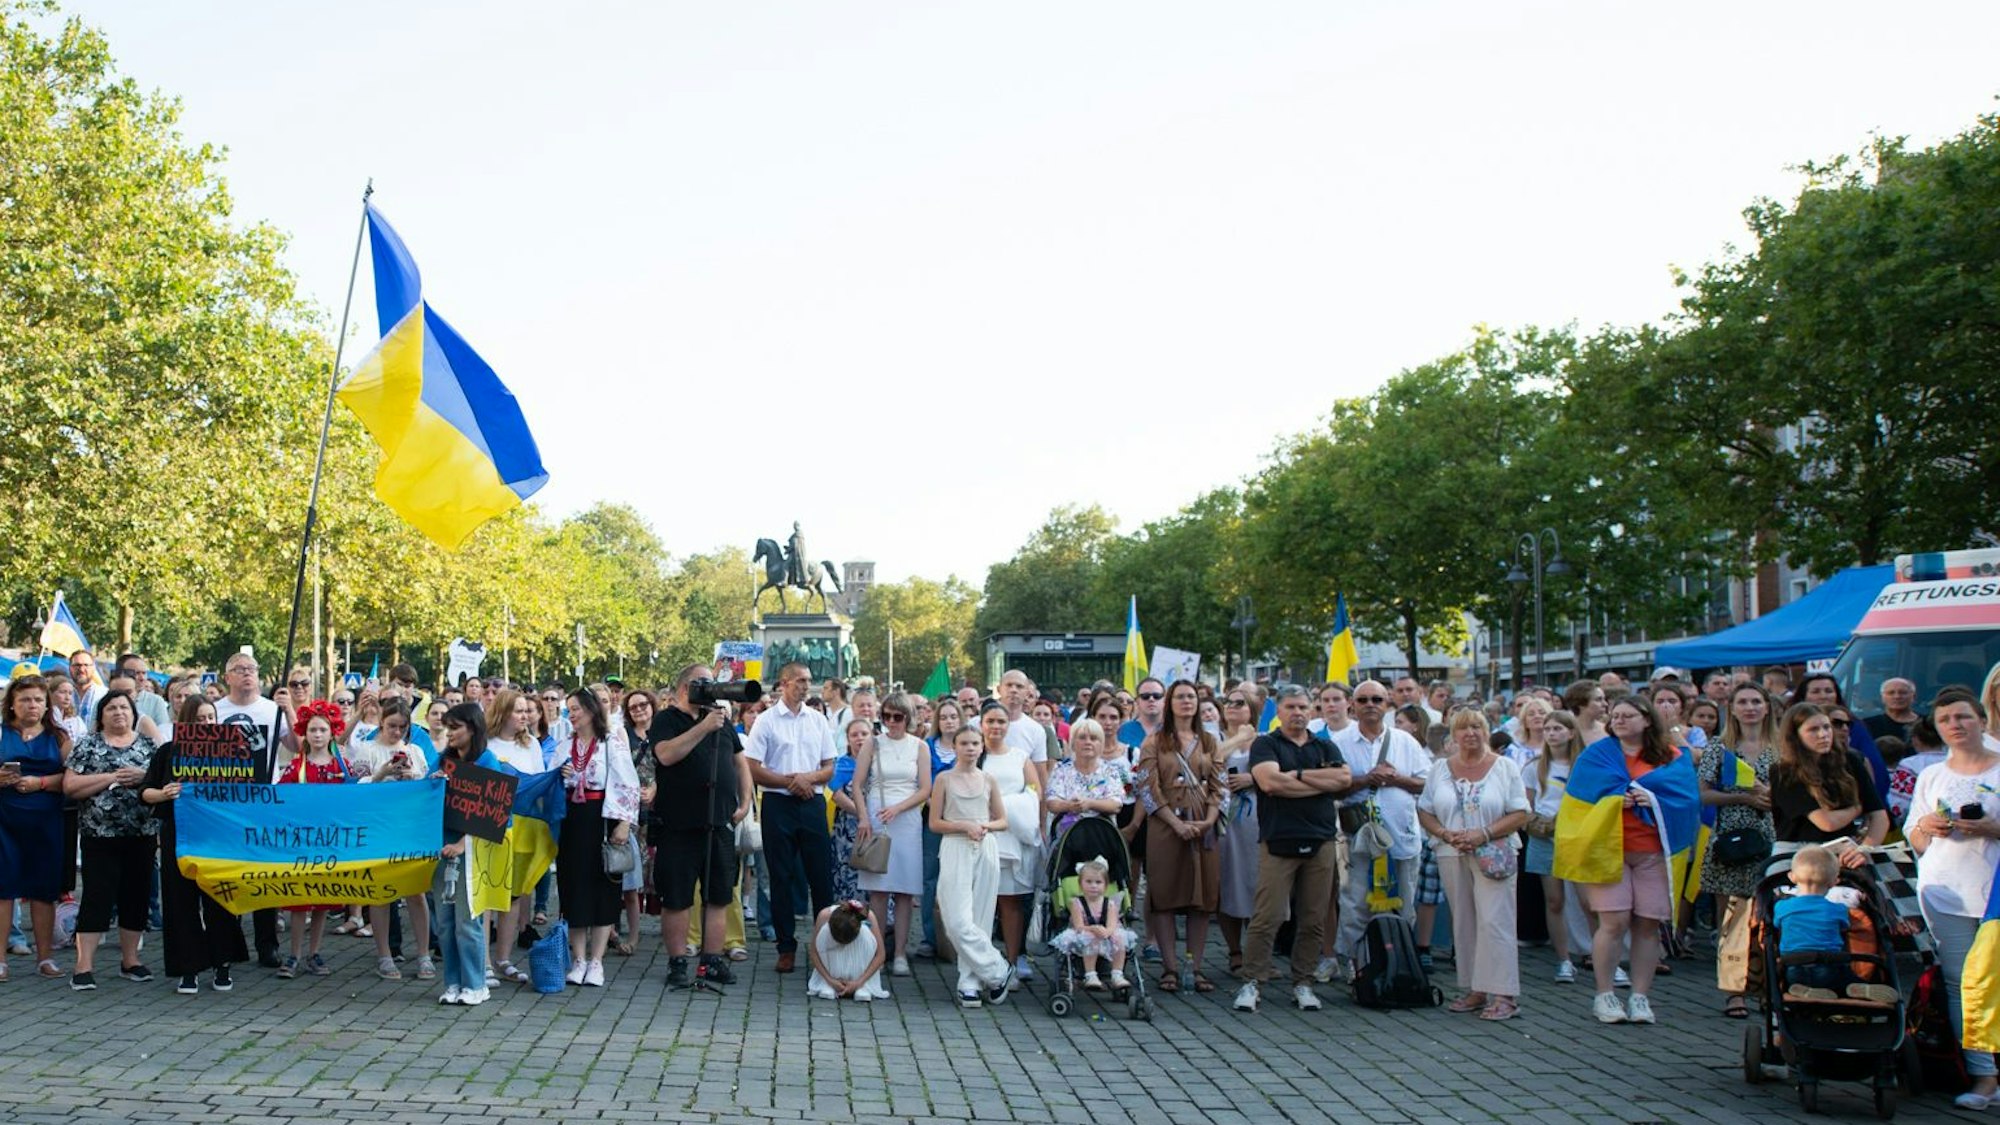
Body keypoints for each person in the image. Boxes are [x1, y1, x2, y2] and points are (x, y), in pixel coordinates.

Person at [1557, 694, 1697, 1027]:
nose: (1619, 720)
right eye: (1615, 715)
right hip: (1609, 851)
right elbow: (1576, 805)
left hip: (1653, 853)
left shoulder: (1672, 757)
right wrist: (1615, 801)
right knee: (1614, 922)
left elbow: (1687, 800)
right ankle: (1604, 994)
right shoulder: (1596, 756)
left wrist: (1652, 798)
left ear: (1647, 720)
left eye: (1628, 715)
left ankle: (1640, 996)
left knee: (1648, 925)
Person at [1901, 686, 2000, 1109]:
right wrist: (1928, 825)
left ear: (1980, 719)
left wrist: (1991, 829)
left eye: (1962, 717)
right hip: (1945, 892)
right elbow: (1915, 838)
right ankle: (1984, 1077)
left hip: (1994, 891)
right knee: (1963, 984)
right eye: (1945, 720)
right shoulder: (1931, 776)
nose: (1954, 726)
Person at [1234, 684, 1350, 1014]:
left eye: (1303, 707)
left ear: (1311, 710)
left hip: (1321, 839)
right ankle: (1253, 980)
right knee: (1267, 916)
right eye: (1290, 707)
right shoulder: (1266, 744)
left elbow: (1343, 780)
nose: (1297, 712)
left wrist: (1295, 777)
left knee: (1313, 918)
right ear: (1278, 711)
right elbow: (1269, 783)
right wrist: (1317, 786)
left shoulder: (1325, 745)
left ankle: (1304, 981)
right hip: (1278, 839)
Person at [1417, 709, 1530, 1020]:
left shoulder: (1505, 767)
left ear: (1487, 731)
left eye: (1477, 727)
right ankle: (1475, 988)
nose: (1470, 733)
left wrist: (1483, 833)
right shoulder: (1440, 769)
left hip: (1494, 851)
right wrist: (1442, 832)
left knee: (1495, 921)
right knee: (1464, 921)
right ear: (1453, 735)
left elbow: (1521, 812)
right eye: (1463, 728)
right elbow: (1425, 810)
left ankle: (1505, 993)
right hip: (1451, 850)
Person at [650, 664, 752, 989]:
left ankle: (711, 962)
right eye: (704, 683)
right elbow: (665, 755)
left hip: (718, 823)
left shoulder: (721, 720)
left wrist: (746, 801)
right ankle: (678, 962)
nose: (710, 689)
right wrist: (704, 727)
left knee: (718, 896)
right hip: (678, 824)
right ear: (686, 687)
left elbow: (739, 761)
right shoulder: (666, 719)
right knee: (677, 897)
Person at [141, 694, 248, 994]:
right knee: (180, 901)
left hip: (219, 837)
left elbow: (250, 792)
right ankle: (187, 969)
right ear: (186, 722)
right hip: (181, 835)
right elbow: (145, 792)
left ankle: (222, 964)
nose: (206, 724)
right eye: (199, 719)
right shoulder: (168, 752)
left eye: (210, 718)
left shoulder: (234, 751)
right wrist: (165, 793)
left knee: (220, 899)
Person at [1327, 679, 1431, 983]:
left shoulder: (1405, 742)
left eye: (1377, 699)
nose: (1370, 705)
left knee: (1404, 902)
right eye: (1363, 700)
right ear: (1352, 705)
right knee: (1355, 903)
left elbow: (1425, 783)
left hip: (1401, 838)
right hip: (1356, 840)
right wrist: (1366, 779)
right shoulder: (1338, 742)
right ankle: (1358, 966)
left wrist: (1397, 778)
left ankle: (1398, 963)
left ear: (1387, 705)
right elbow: (1332, 787)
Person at [742, 663, 837, 975]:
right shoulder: (767, 721)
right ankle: (786, 947)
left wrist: (806, 780)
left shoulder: (818, 719)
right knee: (780, 877)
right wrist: (789, 782)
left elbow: (829, 766)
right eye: (800, 680)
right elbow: (753, 767)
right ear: (783, 683)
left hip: (811, 804)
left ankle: (827, 944)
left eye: (809, 680)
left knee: (820, 877)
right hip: (777, 804)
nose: (805, 686)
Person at [62, 689, 158, 989]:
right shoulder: (88, 745)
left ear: (134, 714)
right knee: (96, 898)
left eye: (125, 708)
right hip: (99, 836)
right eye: (112, 708)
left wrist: (142, 777)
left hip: (141, 834)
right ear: (101, 715)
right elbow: (70, 785)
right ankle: (83, 965)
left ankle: (131, 961)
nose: (119, 713)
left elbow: (162, 783)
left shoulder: (148, 746)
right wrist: (111, 777)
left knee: (136, 898)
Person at [1699, 683, 1780, 1020]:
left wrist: (1772, 796)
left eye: (1756, 701)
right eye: (1742, 702)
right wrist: (1743, 797)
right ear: (1731, 708)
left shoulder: (1782, 748)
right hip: (1733, 839)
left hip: (1773, 837)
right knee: (1732, 919)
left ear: (1766, 707)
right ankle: (1734, 991)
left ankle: (1769, 987)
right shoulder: (1720, 747)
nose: (1750, 707)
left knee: (1771, 917)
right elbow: (1704, 794)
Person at [1138, 680, 1224, 994]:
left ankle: (1195, 966)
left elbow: (1220, 785)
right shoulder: (1154, 742)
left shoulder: (1210, 741)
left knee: (1202, 898)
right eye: (1180, 697)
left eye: (1191, 697)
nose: (1186, 702)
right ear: (1169, 703)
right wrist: (1174, 823)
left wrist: (1209, 821)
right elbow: (1147, 789)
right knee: (1164, 895)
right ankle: (1170, 967)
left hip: (1203, 824)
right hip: (1165, 825)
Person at [557, 688, 640, 987]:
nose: (572, 714)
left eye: (576, 708)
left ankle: (597, 961)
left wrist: (623, 824)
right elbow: (550, 779)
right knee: (574, 887)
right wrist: (560, 774)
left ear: (591, 710)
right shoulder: (564, 745)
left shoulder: (610, 744)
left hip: (602, 820)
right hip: (571, 822)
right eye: (569, 709)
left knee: (604, 889)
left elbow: (627, 783)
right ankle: (578, 959)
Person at [213, 652, 289, 967]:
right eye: (239, 670)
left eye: (252, 669)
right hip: (226, 801)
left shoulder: (272, 710)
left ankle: (267, 943)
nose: (247, 674)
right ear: (227, 676)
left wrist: (291, 710)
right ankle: (229, 940)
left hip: (263, 800)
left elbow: (298, 745)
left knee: (264, 873)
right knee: (229, 871)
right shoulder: (216, 711)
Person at [929, 725, 1010, 1008]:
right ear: (955, 747)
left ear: (982, 746)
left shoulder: (988, 779)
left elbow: (1003, 820)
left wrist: (983, 826)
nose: (970, 748)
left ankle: (970, 980)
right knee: (957, 920)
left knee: (981, 917)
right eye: (964, 743)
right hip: (954, 846)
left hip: (985, 846)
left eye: (975, 743)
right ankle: (998, 970)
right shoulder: (943, 779)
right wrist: (963, 826)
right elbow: (934, 822)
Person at [352, 700, 433, 981]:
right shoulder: (368, 750)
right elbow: (356, 792)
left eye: (402, 727)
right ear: (381, 724)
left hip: (409, 828)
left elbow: (428, 789)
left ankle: (423, 953)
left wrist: (413, 777)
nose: (397, 732)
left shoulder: (416, 751)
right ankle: (384, 955)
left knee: (416, 891)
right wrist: (382, 774)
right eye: (391, 726)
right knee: (381, 892)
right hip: (380, 827)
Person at [852, 693, 931, 977]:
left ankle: (899, 952)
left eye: (897, 717)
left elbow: (925, 788)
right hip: (877, 815)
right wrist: (863, 817)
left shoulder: (919, 747)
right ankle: (876, 949)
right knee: (878, 889)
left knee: (905, 891)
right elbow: (857, 783)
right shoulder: (873, 743)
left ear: (908, 718)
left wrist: (899, 807)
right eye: (886, 717)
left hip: (906, 817)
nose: (891, 723)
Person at [0, 675, 71, 980]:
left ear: (47, 705)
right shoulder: (1, 734)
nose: (32, 705)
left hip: (46, 821)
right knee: (3, 890)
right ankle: (0, 959)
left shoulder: (60, 738)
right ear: (12, 705)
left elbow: (71, 778)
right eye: (25, 699)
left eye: (38, 700)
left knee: (44, 890)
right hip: (4, 821)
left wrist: (41, 782)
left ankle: (45, 958)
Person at [274, 701, 351, 978]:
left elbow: (355, 798)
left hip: (330, 844)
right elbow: (280, 798)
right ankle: (293, 954)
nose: (318, 735)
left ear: (332, 733)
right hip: (302, 844)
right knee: (299, 902)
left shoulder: (342, 767)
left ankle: (314, 952)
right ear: (304, 733)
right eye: (312, 730)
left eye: (322, 730)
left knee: (322, 901)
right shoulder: (296, 766)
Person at [1773, 844, 1897, 1003]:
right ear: (1834, 882)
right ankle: (1854, 987)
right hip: (1828, 967)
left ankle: (1803, 990)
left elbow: (1777, 925)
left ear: (1792, 877)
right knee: (1844, 976)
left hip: (1793, 968)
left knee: (1795, 979)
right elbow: (1844, 925)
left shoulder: (1782, 907)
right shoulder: (1838, 909)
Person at [485, 688, 551, 984]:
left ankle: (503, 958)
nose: (525, 716)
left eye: (527, 710)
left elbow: (537, 783)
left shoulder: (533, 746)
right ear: (503, 712)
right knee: (488, 894)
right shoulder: (485, 744)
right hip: (492, 825)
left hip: (523, 828)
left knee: (513, 896)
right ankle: (483, 961)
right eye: (519, 710)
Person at [976, 701, 1041, 984]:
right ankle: (983, 964)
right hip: (980, 835)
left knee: (1011, 903)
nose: (996, 727)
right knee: (981, 903)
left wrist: (1005, 807)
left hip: (1012, 837)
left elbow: (1034, 794)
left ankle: (1012, 963)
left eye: (1001, 722)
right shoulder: (974, 754)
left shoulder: (1020, 758)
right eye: (990, 721)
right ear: (982, 724)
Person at [1770, 703, 1888, 856]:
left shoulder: (1850, 760)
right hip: (1797, 850)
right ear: (1795, 735)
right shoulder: (1784, 771)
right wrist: (1857, 807)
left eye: (1827, 727)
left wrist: (1864, 851)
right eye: (1813, 730)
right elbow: (1827, 823)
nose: (1823, 734)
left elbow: (1879, 816)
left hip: (1846, 847)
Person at [1525, 709, 1581, 981]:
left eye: (1558, 728)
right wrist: (1538, 822)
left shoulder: (1583, 765)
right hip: (1545, 838)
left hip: (1578, 838)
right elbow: (1525, 806)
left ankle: (1604, 956)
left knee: (1589, 903)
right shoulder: (1534, 766)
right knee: (1554, 900)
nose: (1551, 733)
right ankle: (1564, 960)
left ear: (1571, 732)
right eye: (1547, 729)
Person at [1214, 688, 1264, 976]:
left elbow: (1277, 771)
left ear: (1252, 709)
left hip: (1256, 817)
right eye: (1228, 702)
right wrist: (1237, 739)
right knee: (1227, 882)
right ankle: (1234, 949)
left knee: (1257, 883)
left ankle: (1258, 952)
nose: (1232, 707)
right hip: (1223, 817)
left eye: (1239, 703)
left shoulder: (1265, 741)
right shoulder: (1215, 738)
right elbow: (1207, 763)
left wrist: (1252, 778)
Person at [914, 697, 964, 960]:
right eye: (943, 717)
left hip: (962, 822)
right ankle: (930, 937)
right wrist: (935, 805)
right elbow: (921, 783)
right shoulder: (927, 748)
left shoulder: (968, 746)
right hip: (932, 820)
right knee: (931, 877)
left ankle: (958, 936)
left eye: (953, 717)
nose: (948, 721)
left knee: (959, 878)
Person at [1051, 856, 1133, 991]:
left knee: (1120, 937)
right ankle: (1090, 975)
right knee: (1090, 938)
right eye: (1088, 882)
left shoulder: (1110, 904)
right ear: (1080, 884)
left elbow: (1113, 924)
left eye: (1098, 882)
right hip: (1085, 933)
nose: (1093, 886)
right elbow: (1078, 926)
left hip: (1107, 934)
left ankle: (1117, 974)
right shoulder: (1076, 904)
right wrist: (1093, 929)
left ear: (1105, 886)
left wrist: (1106, 932)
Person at [804, 899, 890, 1001]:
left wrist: (859, 982)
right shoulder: (824, 915)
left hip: (861, 976)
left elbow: (880, 955)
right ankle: (828, 983)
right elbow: (813, 951)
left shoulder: (868, 916)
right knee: (822, 934)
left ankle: (863, 985)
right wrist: (829, 979)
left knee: (867, 934)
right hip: (830, 973)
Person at [1866, 677, 1922, 744]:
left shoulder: (1927, 725)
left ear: (1913, 697)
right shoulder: (1867, 725)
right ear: (1882, 698)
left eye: (1903, 693)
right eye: (1891, 693)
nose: (1897, 696)